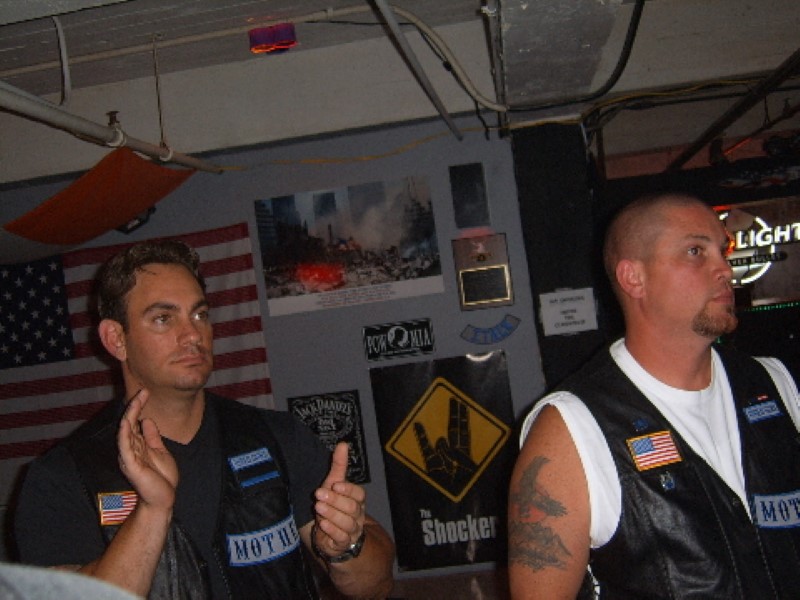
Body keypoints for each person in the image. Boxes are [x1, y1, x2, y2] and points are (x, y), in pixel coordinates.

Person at [14, 239, 395, 599]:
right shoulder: (64, 476)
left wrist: (346, 547)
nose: (192, 334)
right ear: (116, 339)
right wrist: (151, 512)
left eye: (200, 314)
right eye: (163, 318)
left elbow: (375, 586)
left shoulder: (277, 437)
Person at [507, 193, 800, 599]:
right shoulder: (573, 427)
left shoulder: (772, 382)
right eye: (695, 251)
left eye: (723, 250)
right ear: (634, 278)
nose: (724, 269)